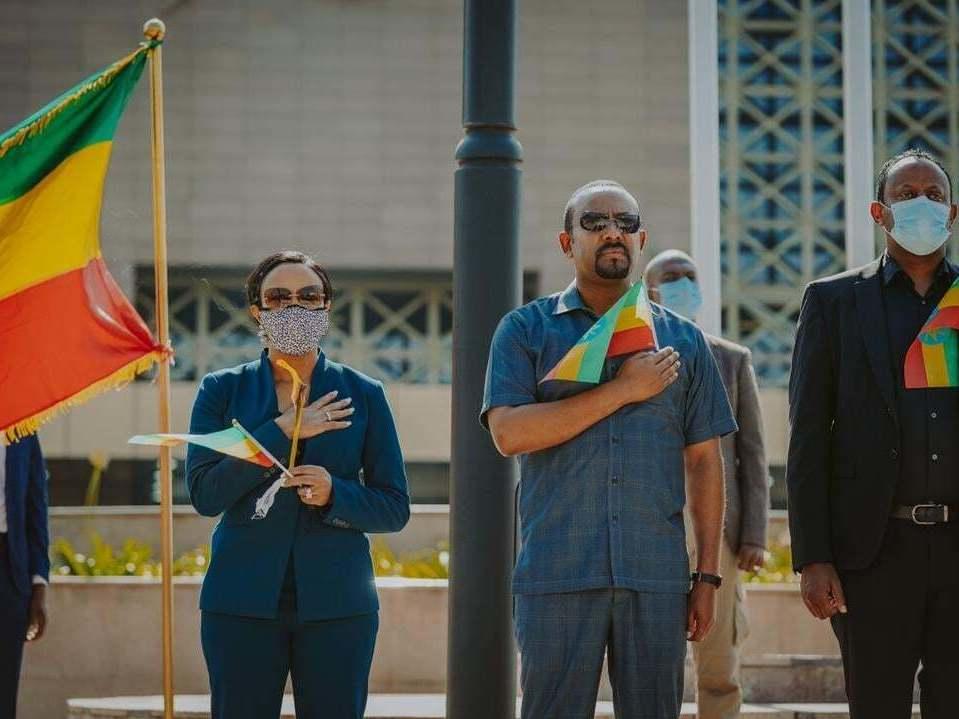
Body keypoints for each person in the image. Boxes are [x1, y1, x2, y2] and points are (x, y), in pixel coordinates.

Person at [482, 180, 737, 719]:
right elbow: (509, 434)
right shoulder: (525, 331)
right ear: (566, 242)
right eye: (594, 223)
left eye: (624, 222)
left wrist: (708, 577)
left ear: (641, 238)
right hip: (557, 573)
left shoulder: (683, 341)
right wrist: (622, 390)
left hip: (656, 578)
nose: (612, 231)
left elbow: (704, 463)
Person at [186, 250, 411, 719]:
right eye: (279, 297)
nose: (295, 307)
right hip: (240, 603)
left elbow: (394, 507)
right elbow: (206, 494)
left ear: (326, 308)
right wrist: (282, 429)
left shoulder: (365, 393)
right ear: (257, 310)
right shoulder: (221, 390)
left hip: (339, 604)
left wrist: (336, 493)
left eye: (309, 296)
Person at [787, 148, 959, 719]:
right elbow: (808, 434)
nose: (921, 206)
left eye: (934, 196)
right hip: (874, 553)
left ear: (953, 214)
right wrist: (813, 556)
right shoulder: (834, 302)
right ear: (878, 212)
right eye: (906, 195)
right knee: (877, 705)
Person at [645, 250, 769, 719]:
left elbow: (752, 455)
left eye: (688, 276)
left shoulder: (732, 359)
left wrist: (753, 535)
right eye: (670, 277)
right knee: (651, 664)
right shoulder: (633, 355)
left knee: (719, 664)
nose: (681, 284)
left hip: (719, 536)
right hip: (654, 529)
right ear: (650, 289)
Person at [0, 433, 49, 719]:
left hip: (10, 571)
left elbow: (36, 505)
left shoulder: (23, 429)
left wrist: (39, 585)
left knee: (5, 688)